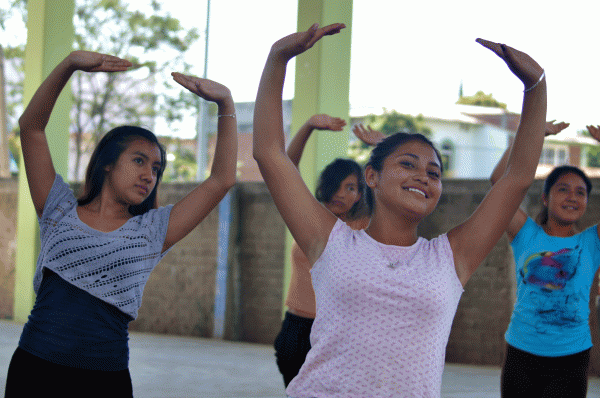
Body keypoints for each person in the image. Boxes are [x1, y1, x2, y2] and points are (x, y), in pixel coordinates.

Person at [253, 23, 547, 397]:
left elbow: (518, 177)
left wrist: (536, 86)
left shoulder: (450, 257)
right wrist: (279, 56)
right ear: (371, 177)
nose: (423, 176)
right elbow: (269, 154)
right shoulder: (331, 240)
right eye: (408, 164)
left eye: (434, 172)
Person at [4, 51, 237, 398]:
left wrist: (225, 103)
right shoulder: (58, 209)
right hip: (35, 370)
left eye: (156, 169)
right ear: (108, 163)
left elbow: (221, 179)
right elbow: (31, 128)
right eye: (139, 160)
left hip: (104, 379)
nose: (149, 175)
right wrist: (67, 64)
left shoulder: (151, 231)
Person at [495, 121, 600, 398]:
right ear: (545, 197)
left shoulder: (591, 242)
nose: (572, 197)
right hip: (522, 353)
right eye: (563, 189)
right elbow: (498, 182)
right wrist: (532, 135)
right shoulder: (526, 234)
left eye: (580, 192)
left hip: (572, 357)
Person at [273, 114, 372, 387]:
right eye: (337, 185)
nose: (342, 193)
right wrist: (307, 127)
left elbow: (392, 188)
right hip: (296, 328)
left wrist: (382, 147)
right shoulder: (309, 219)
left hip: (340, 333)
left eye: (351, 187)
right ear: (325, 186)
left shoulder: (364, 227)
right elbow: (285, 168)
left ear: (361, 194)